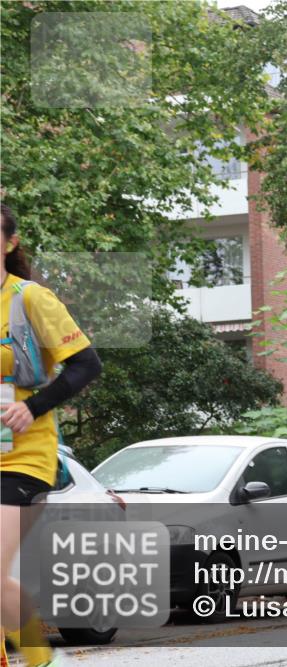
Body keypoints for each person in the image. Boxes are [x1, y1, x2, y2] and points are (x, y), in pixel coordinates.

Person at [1, 203, 102, 667]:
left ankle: (41, 659)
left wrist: (31, 406)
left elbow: (86, 364)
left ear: (9, 243)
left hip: (21, 457)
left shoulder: (29, 299)